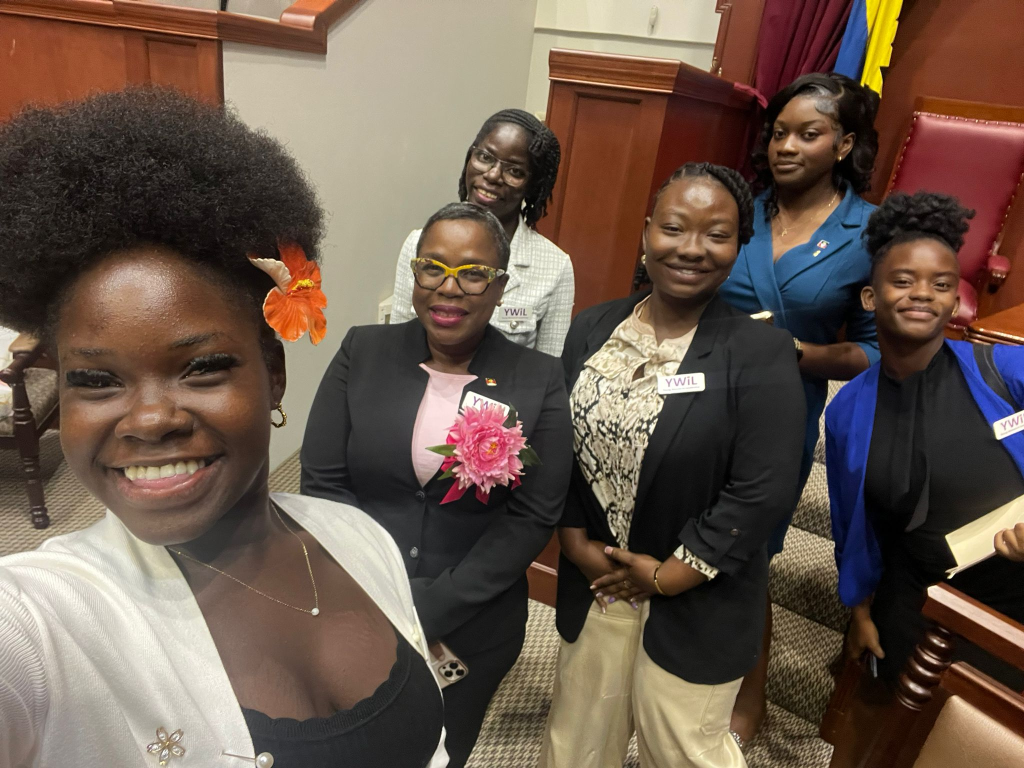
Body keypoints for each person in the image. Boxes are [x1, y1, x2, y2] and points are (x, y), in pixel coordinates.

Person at [0, 90, 447, 768]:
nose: (150, 419)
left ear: (274, 371)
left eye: (201, 367)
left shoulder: (359, 540)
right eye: (95, 379)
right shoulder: (41, 624)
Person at [540, 163, 806, 768]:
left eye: (716, 234)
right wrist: (575, 539)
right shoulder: (594, 327)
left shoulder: (759, 352)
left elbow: (762, 490)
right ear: (645, 233)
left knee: (683, 750)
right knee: (576, 741)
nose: (691, 249)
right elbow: (560, 441)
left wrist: (669, 575)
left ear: (739, 247)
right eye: (674, 228)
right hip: (601, 578)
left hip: (698, 594)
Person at [301, 202, 573, 768]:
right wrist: (378, 593)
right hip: (357, 601)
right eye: (434, 267)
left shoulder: (539, 380)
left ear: (499, 288)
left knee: (440, 751)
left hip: (472, 620)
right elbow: (324, 483)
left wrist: (431, 605)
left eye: (473, 273)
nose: (450, 288)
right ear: (415, 273)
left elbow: (532, 516)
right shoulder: (362, 350)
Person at [716, 72, 882, 742]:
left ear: (843, 143)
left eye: (807, 134)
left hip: (780, 416)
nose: (786, 146)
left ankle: (748, 691)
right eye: (779, 132)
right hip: (696, 402)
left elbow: (874, 352)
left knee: (746, 557)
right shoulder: (737, 207)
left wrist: (797, 354)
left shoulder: (868, 232)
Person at [827, 191, 1024, 689]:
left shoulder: (1006, 371)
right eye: (902, 280)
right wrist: (861, 610)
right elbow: (855, 526)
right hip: (918, 592)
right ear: (870, 298)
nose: (922, 294)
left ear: (955, 299)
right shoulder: (847, 410)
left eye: (940, 283)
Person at [389, 109, 574, 356]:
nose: (493, 175)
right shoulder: (417, 244)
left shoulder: (555, 266)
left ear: (532, 185)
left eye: (515, 171)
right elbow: (397, 345)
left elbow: (550, 369)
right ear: (470, 158)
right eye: (485, 157)